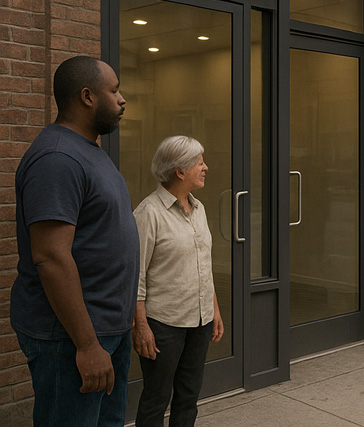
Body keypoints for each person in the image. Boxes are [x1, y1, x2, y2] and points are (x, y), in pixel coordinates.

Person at [11, 56, 139, 426]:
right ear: (87, 96)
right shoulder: (57, 158)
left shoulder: (89, 151)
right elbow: (50, 257)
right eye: (113, 91)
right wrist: (86, 345)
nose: (122, 99)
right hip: (70, 339)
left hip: (106, 331)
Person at [133, 136, 224, 427]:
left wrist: (214, 310)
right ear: (179, 171)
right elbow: (136, 277)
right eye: (199, 162)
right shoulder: (149, 214)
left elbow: (203, 265)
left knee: (188, 397)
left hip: (200, 321)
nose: (205, 167)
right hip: (163, 324)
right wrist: (141, 326)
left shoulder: (199, 209)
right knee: (156, 399)